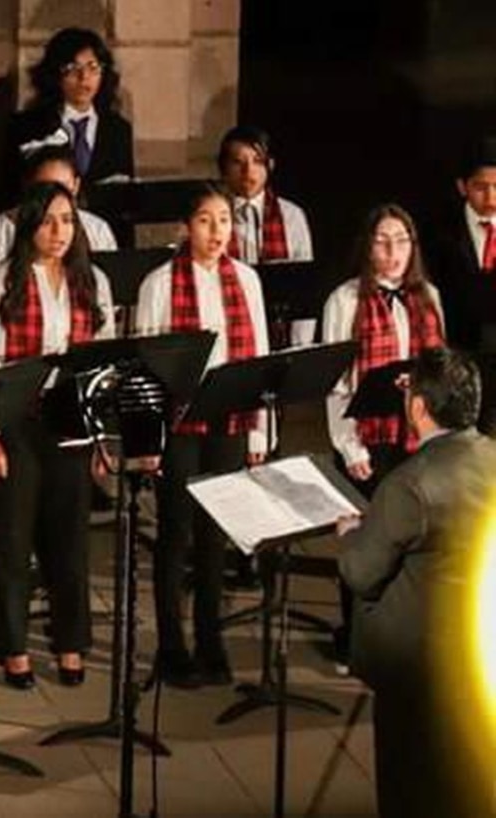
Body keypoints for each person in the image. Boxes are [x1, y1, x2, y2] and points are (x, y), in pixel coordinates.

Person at [336, 347, 496, 818]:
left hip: (417, 666)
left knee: (411, 789)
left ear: (419, 408)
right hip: (481, 654)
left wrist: (351, 535)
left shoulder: (409, 484)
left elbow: (361, 572)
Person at [0, 182, 114, 689]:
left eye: (67, 220)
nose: (59, 231)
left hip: (70, 421)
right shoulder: (0, 283)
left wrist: (99, 435)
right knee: (13, 540)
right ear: (29, 225)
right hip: (17, 423)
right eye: (49, 221)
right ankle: (12, 645)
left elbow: (102, 361)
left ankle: (70, 641)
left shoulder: (90, 280)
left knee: (69, 539)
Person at [135, 183, 270, 688]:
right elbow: (145, 368)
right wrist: (146, 440)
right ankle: (172, 646)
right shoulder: (160, 283)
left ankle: (211, 641)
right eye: (206, 221)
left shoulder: (247, 280)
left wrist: (258, 434)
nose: (216, 232)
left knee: (216, 534)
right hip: (179, 423)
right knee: (175, 534)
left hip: (229, 419)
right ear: (185, 227)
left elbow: (258, 356)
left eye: (224, 220)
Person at [323, 203, 445, 671]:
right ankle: (354, 640)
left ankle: (399, 638)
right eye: (382, 241)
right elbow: (337, 382)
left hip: (416, 439)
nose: (393, 251)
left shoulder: (428, 296)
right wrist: (348, 445)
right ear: (367, 247)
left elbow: (440, 371)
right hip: (366, 438)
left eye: (401, 241)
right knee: (365, 540)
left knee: (410, 540)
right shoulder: (345, 299)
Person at [7, 28, 133, 198]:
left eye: (93, 67)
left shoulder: (118, 129)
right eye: (73, 68)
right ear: (55, 73)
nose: (84, 77)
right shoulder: (27, 126)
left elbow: (127, 195)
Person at [0, 139, 117, 283]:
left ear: (75, 186)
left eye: (62, 187)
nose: (54, 196)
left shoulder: (97, 229)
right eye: (46, 188)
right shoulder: (2, 228)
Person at [431, 137, 496, 352]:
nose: (491, 198)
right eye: (480, 187)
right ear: (462, 187)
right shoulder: (438, 234)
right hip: (460, 352)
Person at [217, 125, 313, 265]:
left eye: (257, 161)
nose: (248, 170)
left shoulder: (291, 215)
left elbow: (303, 271)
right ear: (223, 168)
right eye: (238, 162)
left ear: (270, 165)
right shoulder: (211, 215)